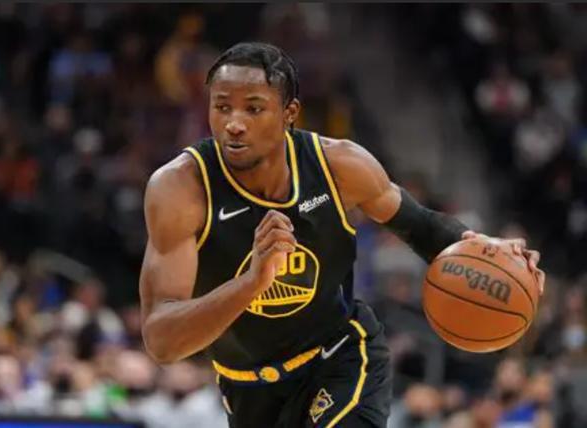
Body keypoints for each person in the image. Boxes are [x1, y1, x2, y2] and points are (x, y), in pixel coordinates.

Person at [139, 42, 545, 428]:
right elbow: (162, 341)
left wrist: (491, 253)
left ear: (289, 112)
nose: (234, 124)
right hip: (247, 388)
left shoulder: (339, 165)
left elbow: (421, 226)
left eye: (254, 108)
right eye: (222, 107)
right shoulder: (180, 189)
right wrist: (251, 283)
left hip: (339, 357)